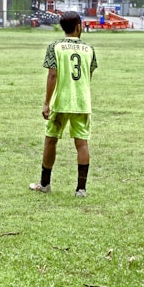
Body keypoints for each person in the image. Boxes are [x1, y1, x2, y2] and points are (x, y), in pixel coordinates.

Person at [29, 11, 98, 197]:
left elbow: (52, 75)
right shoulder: (89, 49)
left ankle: (45, 184)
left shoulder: (55, 46)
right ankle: (81, 189)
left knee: (51, 140)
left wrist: (46, 103)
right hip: (82, 102)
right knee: (81, 143)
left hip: (61, 101)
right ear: (78, 26)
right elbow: (88, 76)